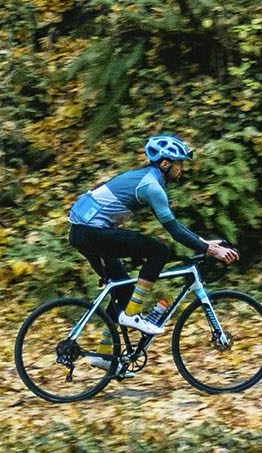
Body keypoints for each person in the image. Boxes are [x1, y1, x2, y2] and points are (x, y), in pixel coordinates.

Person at [66, 133, 233, 333]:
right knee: (159, 251)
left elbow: (173, 224)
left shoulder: (145, 179)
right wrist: (210, 251)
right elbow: (174, 231)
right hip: (91, 232)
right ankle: (132, 315)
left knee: (124, 291)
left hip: (82, 232)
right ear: (165, 164)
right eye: (179, 163)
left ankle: (103, 355)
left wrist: (204, 243)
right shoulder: (151, 186)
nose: (182, 169)